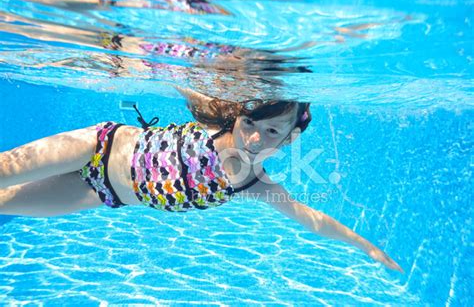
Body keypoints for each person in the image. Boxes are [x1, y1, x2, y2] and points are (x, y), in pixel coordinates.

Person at [0, 87, 403, 272]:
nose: (255, 138)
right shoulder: (214, 120)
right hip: (97, 146)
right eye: (250, 124)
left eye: (274, 133)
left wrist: (364, 246)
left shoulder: (256, 185)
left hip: (98, 193)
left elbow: (308, 218)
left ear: (290, 139)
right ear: (239, 118)